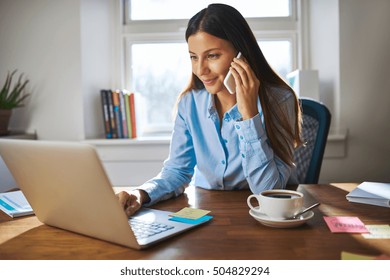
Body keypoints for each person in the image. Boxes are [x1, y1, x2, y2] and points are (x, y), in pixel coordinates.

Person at [117, 3, 302, 217]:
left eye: (212, 56)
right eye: (194, 57)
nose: (200, 70)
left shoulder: (279, 100)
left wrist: (249, 115)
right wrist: (141, 194)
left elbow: (267, 192)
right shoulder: (190, 103)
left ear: (241, 54)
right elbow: (177, 171)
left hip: (261, 216)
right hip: (206, 212)